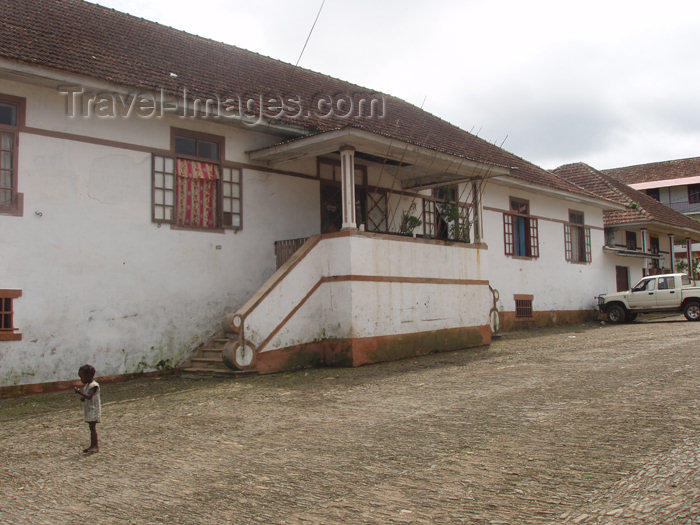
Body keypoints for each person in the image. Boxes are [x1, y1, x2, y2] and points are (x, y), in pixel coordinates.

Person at [73, 364, 101, 453]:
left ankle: (95, 446)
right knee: (91, 428)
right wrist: (82, 397)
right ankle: (92, 445)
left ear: (88, 376)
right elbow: (86, 396)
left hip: (94, 410)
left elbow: (89, 396)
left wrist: (79, 393)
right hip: (89, 409)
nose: (81, 380)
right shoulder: (87, 386)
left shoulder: (94, 385)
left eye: (82, 377)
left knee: (93, 428)